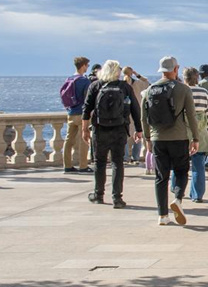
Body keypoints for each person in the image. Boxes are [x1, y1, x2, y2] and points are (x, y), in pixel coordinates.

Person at [141, 56, 200, 226]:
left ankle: (162, 215)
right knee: (181, 171)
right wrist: (195, 138)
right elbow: (191, 116)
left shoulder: (150, 89)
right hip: (179, 137)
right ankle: (178, 199)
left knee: (161, 176)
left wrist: (147, 138)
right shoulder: (183, 89)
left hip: (158, 138)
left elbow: (143, 117)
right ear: (175, 69)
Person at [82, 61, 142, 207]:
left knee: (100, 162)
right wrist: (139, 130)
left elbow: (86, 109)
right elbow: (135, 108)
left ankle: (98, 194)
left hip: (100, 129)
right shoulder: (125, 87)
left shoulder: (95, 86)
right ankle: (117, 198)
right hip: (119, 129)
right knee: (117, 163)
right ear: (117, 72)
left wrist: (85, 129)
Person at [182, 67, 208, 202]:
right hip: (200, 132)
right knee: (198, 166)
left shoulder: (182, 91)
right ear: (197, 77)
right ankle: (197, 194)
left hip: (183, 133)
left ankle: (177, 189)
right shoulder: (204, 92)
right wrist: (206, 131)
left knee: (180, 165)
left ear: (185, 78)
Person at [60, 56, 93, 174]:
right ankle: (83, 166)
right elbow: (88, 99)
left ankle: (67, 165)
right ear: (83, 65)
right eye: (87, 65)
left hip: (71, 112)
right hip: (82, 113)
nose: (88, 68)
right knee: (84, 138)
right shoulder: (84, 81)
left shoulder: (69, 79)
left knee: (69, 140)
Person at [123, 67, 151, 164]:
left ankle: (125, 156)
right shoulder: (138, 83)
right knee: (138, 134)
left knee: (125, 135)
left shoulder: (122, 84)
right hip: (137, 111)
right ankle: (135, 156)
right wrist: (137, 74)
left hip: (125, 111)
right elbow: (147, 82)